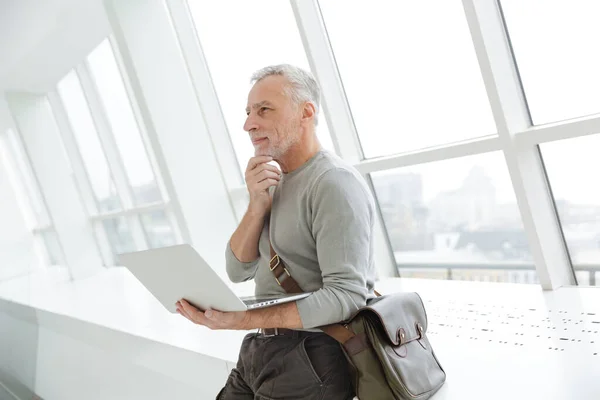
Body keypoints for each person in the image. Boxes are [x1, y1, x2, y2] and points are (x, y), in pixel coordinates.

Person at [176, 64, 377, 399]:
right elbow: (238, 269)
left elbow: (346, 296)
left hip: (310, 356)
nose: (248, 124)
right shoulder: (274, 180)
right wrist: (257, 205)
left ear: (306, 112)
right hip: (261, 348)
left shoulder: (333, 183)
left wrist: (237, 319)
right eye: (248, 112)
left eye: (264, 110)